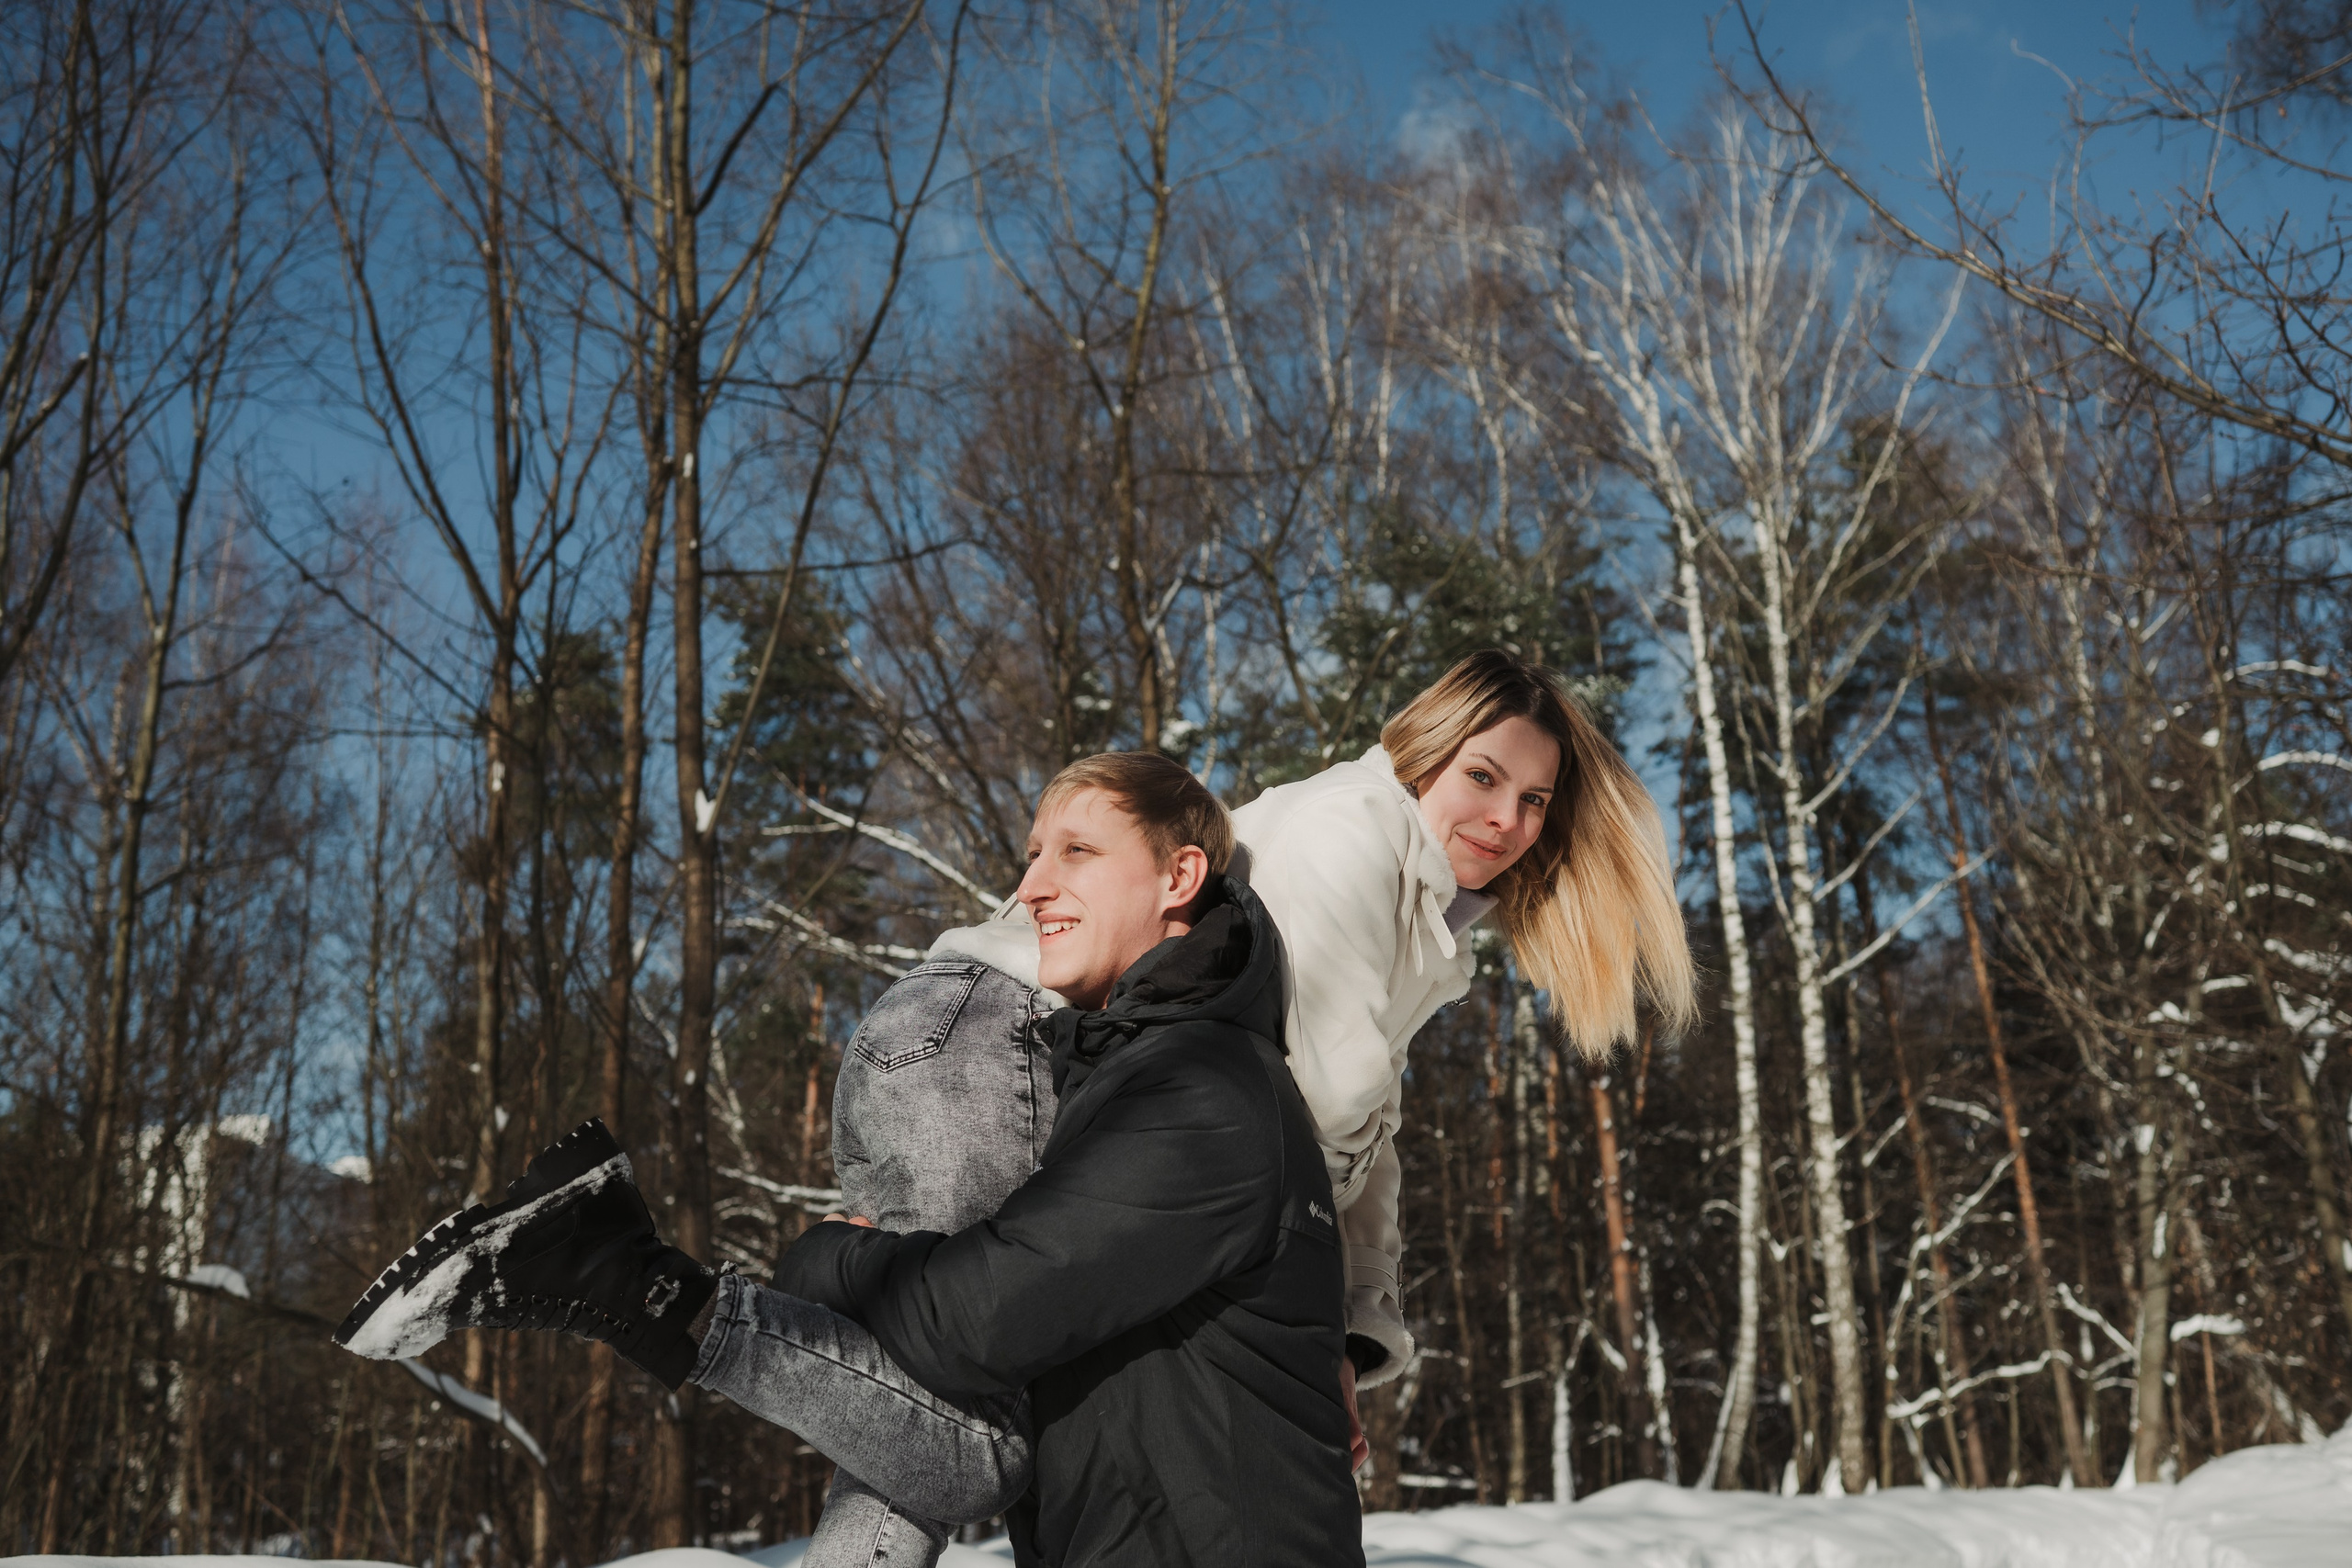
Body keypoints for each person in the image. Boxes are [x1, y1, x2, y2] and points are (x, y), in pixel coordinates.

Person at [334, 753, 1363, 1568]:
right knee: (969, 1445)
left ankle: (619, 1273)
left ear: (1181, 876)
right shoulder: (1127, 1077)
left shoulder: (1203, 1093)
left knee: (970, 1437)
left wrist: (827, 1262)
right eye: (1032, 852)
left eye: (1076, 855)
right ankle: (612, 1269)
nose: (1030, 886)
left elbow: (971, 1321)